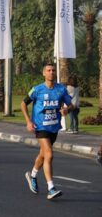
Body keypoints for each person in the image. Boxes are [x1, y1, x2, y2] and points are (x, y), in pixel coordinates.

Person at [22, 63, 73, 200]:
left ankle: (32, 175)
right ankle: (51, 188)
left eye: (53, 70)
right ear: (44, 73)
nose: (51, 72)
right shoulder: (37, 90)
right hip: (40, 127)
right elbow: (23, 103)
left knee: (43, 155)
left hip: (54, 127)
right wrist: (28, 121)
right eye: (48, 70)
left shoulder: (61, 90)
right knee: (49, 154)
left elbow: (71, 105)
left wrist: (66, 110)